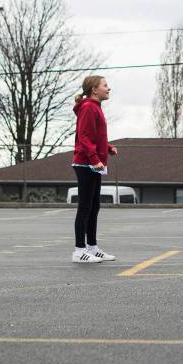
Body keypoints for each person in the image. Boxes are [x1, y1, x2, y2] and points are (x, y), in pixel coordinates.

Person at [71, 75, 117, 263]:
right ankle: (79, 250)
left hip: (93, 163)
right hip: (85, 164)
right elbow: (84, 137)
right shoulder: (89, 107)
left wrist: (107, 148)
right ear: (94, 90)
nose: (109, 88)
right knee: (85, 207)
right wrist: (94, 159)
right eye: (105, 85)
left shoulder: (95, 108)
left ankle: (92, 247)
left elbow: (95, 136)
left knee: (94, 206)